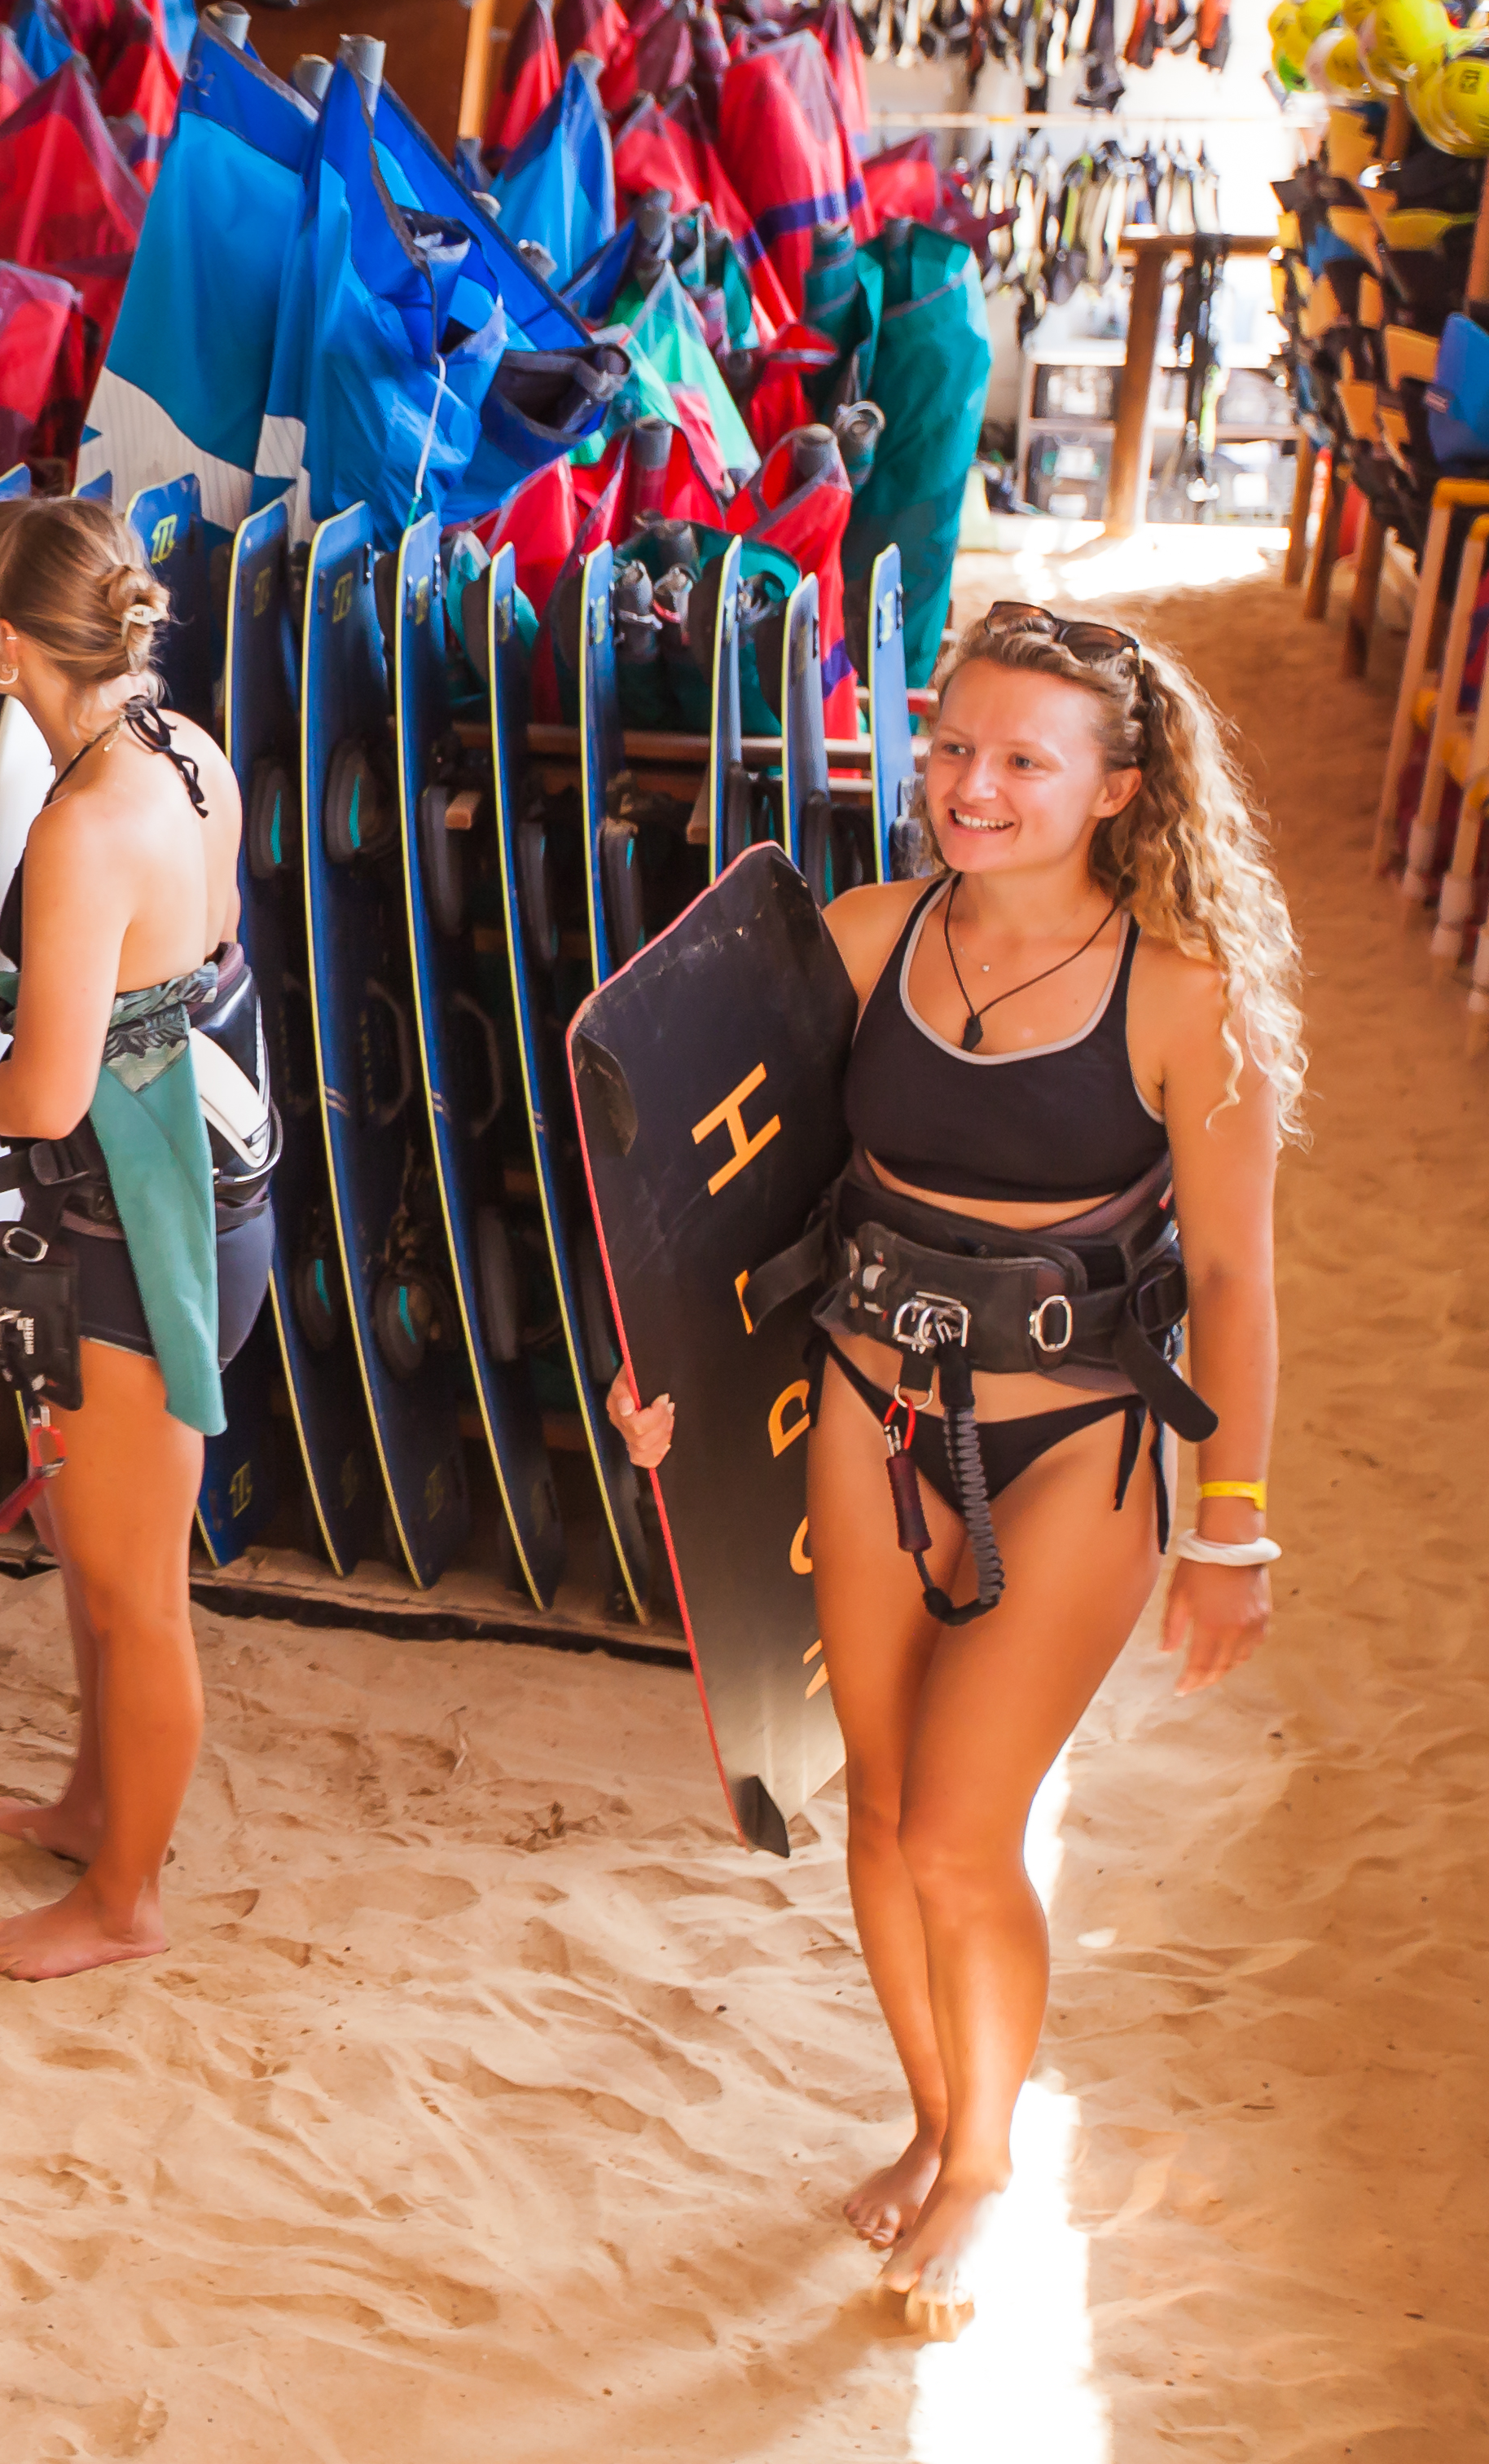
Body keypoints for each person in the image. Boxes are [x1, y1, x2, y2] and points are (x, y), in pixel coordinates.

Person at [611, 599, 1295, 2339]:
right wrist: (660, 1380)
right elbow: (709, 1194)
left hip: (1073, 1446)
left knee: (962, 1832)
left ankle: (985, 2167)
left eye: (1019, 760)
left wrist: (1230, 1533)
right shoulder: (857, 936)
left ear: (1114, 789)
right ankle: (932, 2120)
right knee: (880, 1801)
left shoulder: (1181, 1000)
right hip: (867, 1405)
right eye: (948, 748)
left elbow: (1228, 1279)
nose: (968, 788)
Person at [0, 497, 275, 1985]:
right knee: (96, 1554)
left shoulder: (79, 826)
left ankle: (124, 1903)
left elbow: (44, 1092)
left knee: (131, 1589)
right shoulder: (186, 751)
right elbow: (179, 983)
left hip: (141, 1239)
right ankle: (92, 1809)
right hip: (201, 1197)